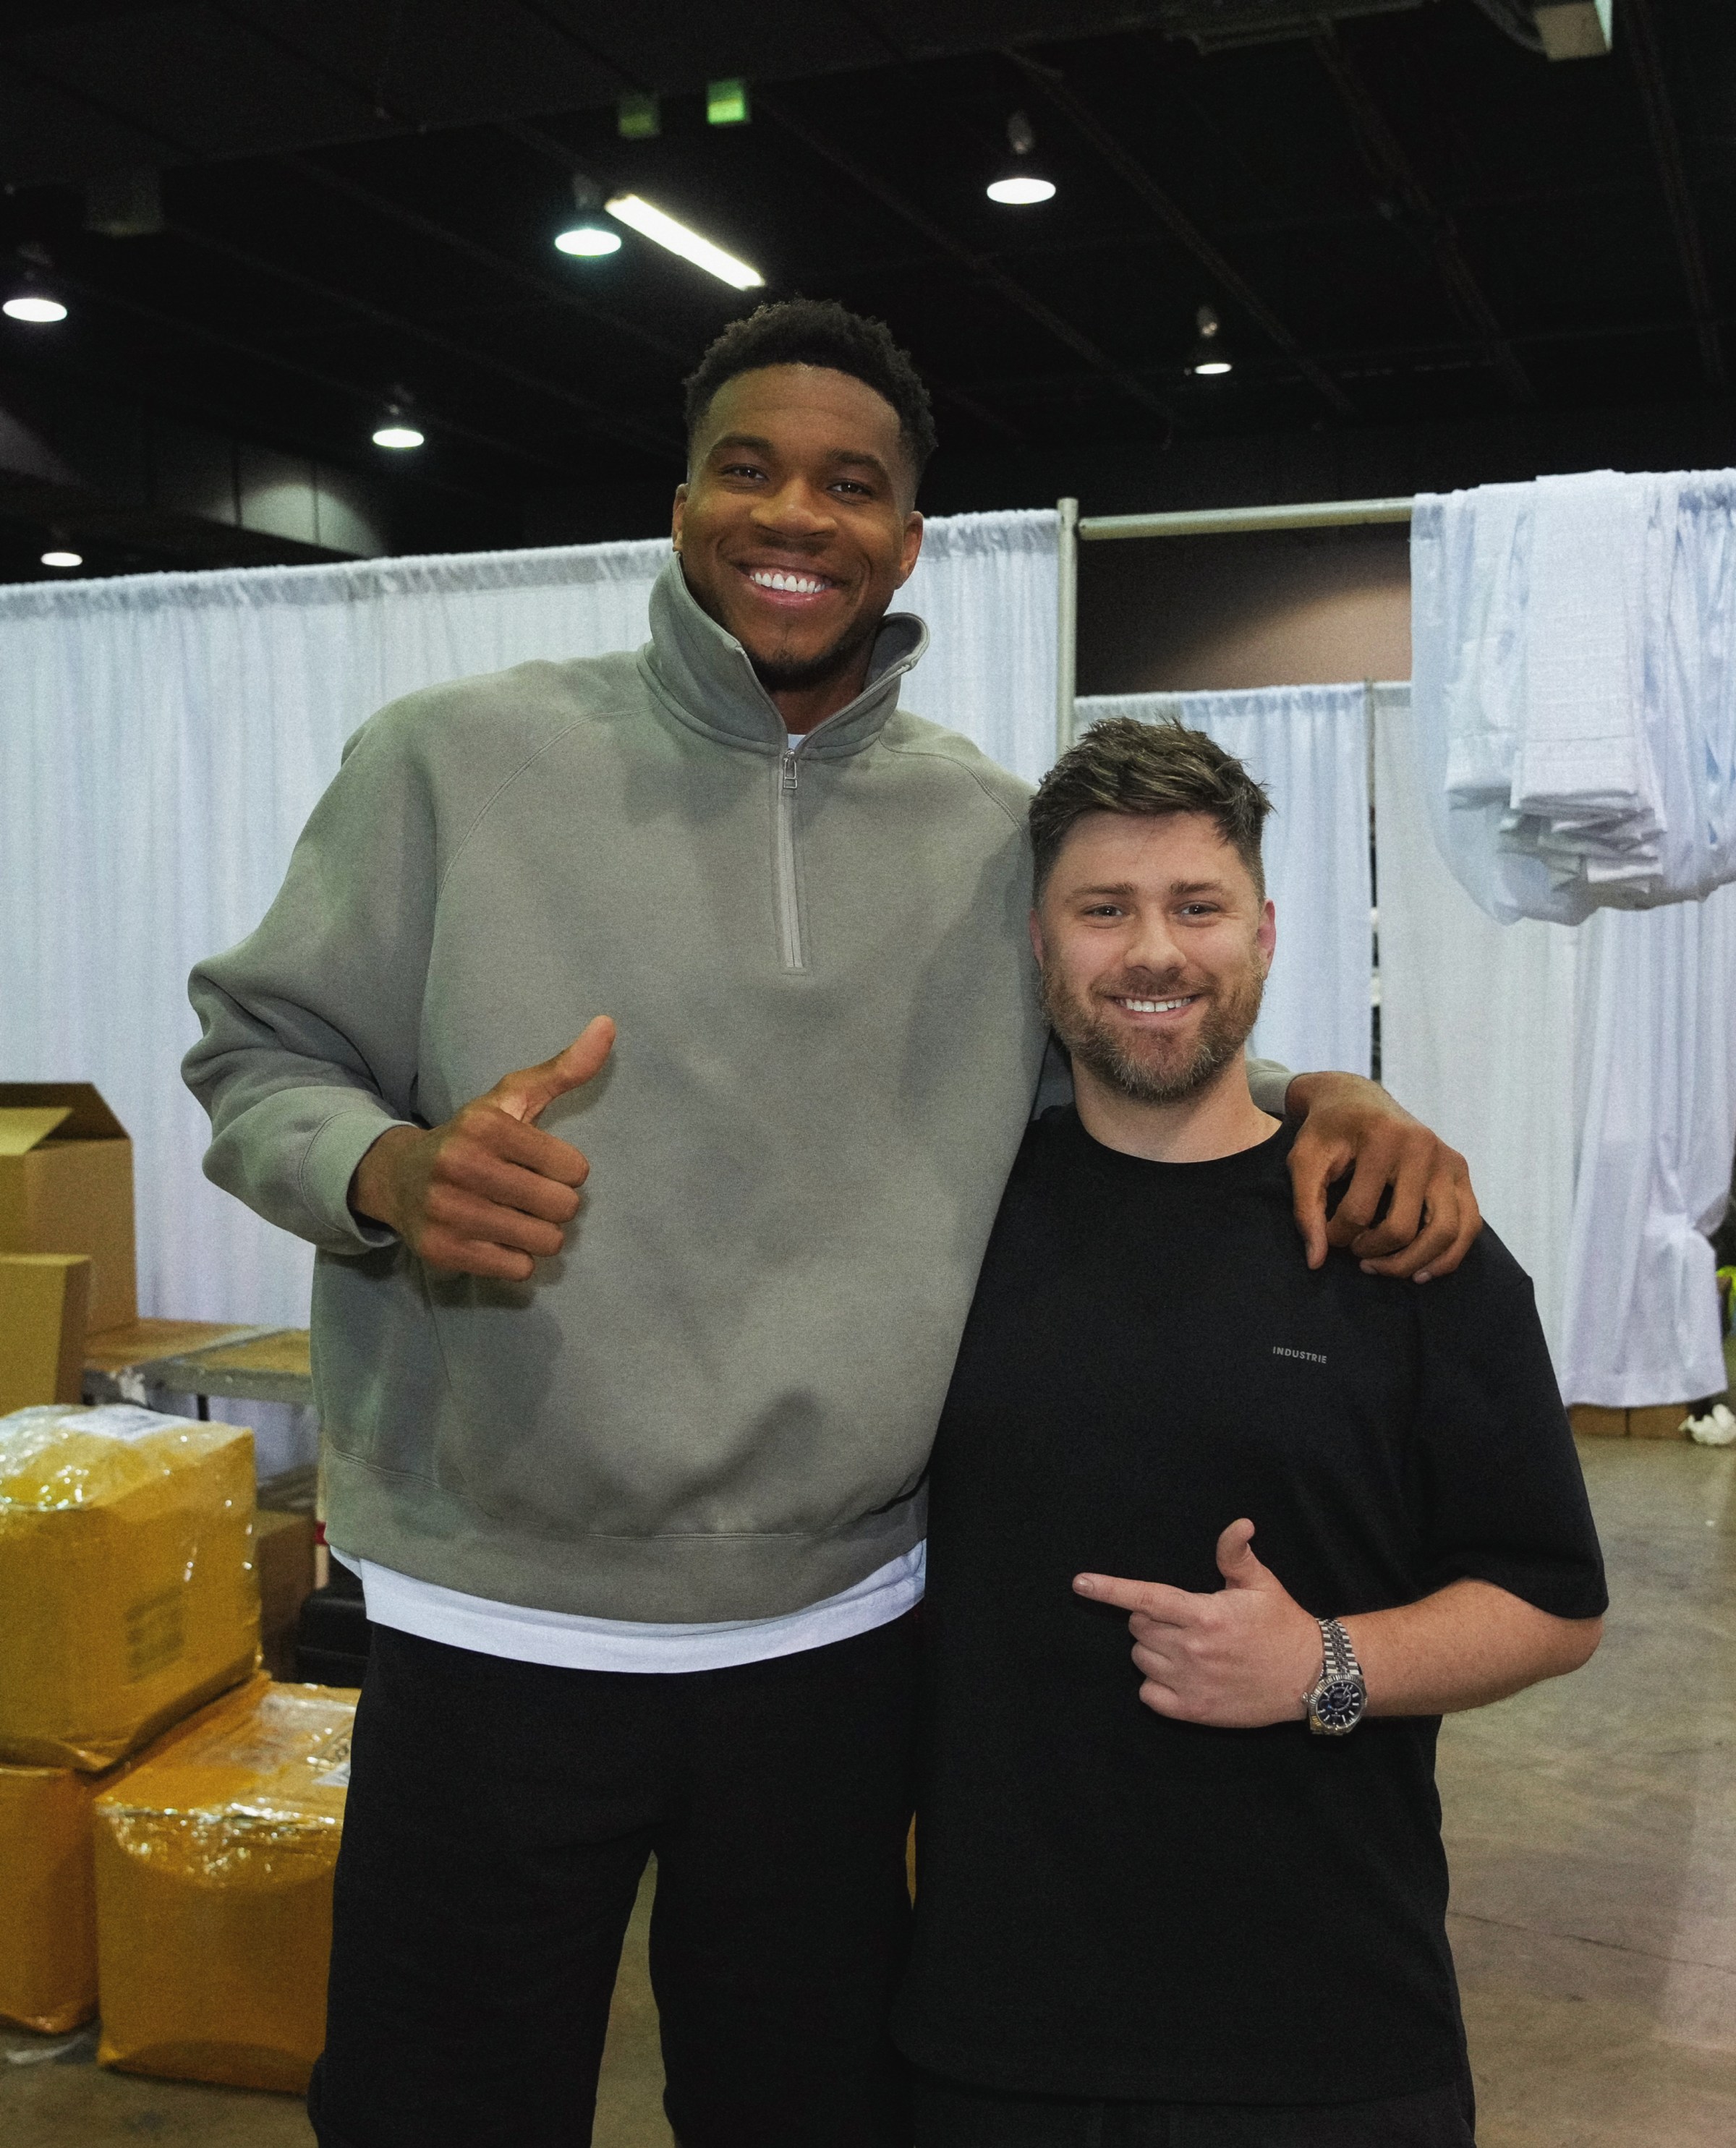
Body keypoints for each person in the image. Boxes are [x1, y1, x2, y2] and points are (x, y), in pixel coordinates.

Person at [183, 301, 1481, 2148]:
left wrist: (1322, 1099)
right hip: (497, 1619)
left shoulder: (980, 832)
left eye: (850, 483)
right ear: (686, 498)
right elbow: (259, 1054)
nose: (796, 511)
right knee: (435, 2109)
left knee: (801, 2113)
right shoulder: (450, 764)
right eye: (750, 465)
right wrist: (387, 1177)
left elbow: (1110, 1079)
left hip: (839, 1637)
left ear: (909, 539)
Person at [891, 717, 1607, 2148]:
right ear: (1042, 943)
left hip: (1328, 2041)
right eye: (1106, 910)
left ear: (1265, 934)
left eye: (1196, 907)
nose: (1153, 951)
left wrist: (1325, 1663)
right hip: (991, 2038)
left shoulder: (1406, 1239)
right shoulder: (946, 1225)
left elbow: (1552, 1600)